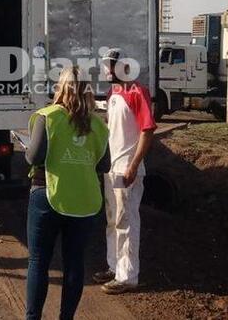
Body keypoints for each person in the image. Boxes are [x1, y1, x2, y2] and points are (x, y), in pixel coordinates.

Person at [25, 66, 110, 320]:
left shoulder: (48, 116)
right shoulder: (98, 123)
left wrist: (28, 147)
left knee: (38, 261)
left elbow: (34, 157)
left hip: (47, 195)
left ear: (60, 87)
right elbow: (104, 165)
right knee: (74, 262)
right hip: (84, 201)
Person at [93, 48, 156, 294]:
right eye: (107, 65)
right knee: (112, 220)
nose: (108, 69)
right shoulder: (113, 93)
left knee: (126, 221)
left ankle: (128, 276)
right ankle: (114, 267)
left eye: (113, 64)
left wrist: (132, 166)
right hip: (112, 168)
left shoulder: (137, 92)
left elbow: (147, 129)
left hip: (126, 170)